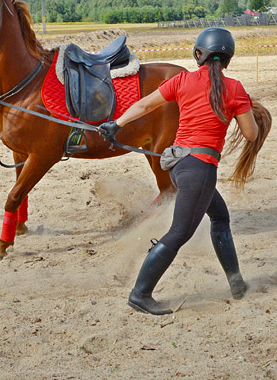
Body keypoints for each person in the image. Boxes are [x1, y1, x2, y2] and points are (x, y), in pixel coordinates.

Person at [99, 27, 266, 315]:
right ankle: (140, 294)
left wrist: (116, 124)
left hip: (177, 165)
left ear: (198, 54)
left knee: (220, 217)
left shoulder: (182, 80)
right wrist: (244, 107)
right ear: (227, 59)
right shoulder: (235, 89)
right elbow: (250, 134)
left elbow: (144, 104)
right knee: (178, 233)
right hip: (199, 170)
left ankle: (236, 283)